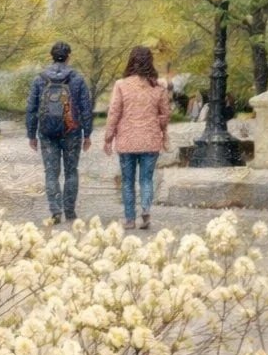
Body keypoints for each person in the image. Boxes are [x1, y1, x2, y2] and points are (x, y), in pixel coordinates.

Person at [103, 45, 170, 231]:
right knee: (146, 180)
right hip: (150, 139)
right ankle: (146, 210)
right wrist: (159, 126)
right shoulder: (159, 86)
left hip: (127, 140)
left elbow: (114, 112)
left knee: (127, 181)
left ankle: (130, 219)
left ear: (131, 61)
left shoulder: (121, 85)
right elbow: (165, 114)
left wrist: (108, 138)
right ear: (150, 62)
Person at [25, 41, 93, 224]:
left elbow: (31, 108)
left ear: (51, 56)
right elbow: (86, 108)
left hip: (47, 133)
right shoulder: (77, 79)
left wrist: (31, 134)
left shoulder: (40, 79)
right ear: (69, 56)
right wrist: (87, 134)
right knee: (71, 171)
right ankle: (70, 211)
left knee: (51, 172)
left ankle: (55, 211)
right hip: (72, 131)